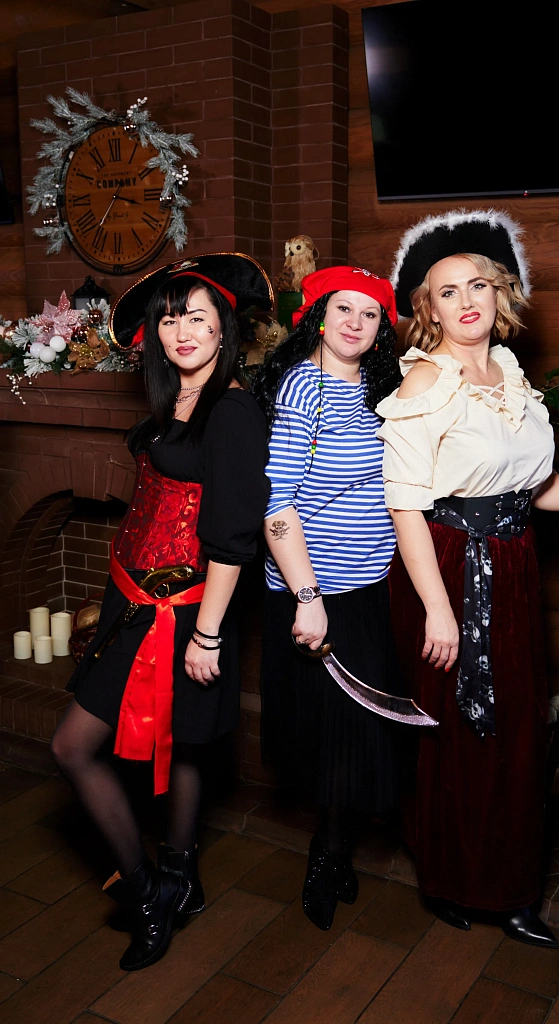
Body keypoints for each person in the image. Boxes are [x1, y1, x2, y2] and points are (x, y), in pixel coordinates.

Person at [377, 210, 559, 947]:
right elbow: (405, 508)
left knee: (512, 731)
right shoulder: (423, 386)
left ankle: (507, 887)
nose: (465, 300)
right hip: (445, 568)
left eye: (477, 284)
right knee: (457, 730)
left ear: (498, 292)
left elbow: (533, 487)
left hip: (512, 565)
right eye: (447, 291)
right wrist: (438, 610)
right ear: (429, 309)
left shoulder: (507, 372)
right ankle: (450, 877)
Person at [51, 254, 272, 971]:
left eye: (198, 318)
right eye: (171, 319)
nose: (183, 331)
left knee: (87, 746)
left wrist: (206, 635)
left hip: (184, 612)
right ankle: (174, 885)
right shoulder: (173, 398)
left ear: (224, 329)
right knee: (169, 745)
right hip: (131, 598)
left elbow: (234, 539)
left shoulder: (232, 411)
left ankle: (153, 891)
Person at [252, 266, 402, 931]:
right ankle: (326, 855)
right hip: (318, 590)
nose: (355, 323)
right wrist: (306, 597)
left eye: (370, 315)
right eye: (343, 309)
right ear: (316, 315)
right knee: (337, 735)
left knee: (360, 733)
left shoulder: (378, 385)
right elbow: (276, 504)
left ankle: (335, 848)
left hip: (370, 585)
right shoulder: (303, 389)